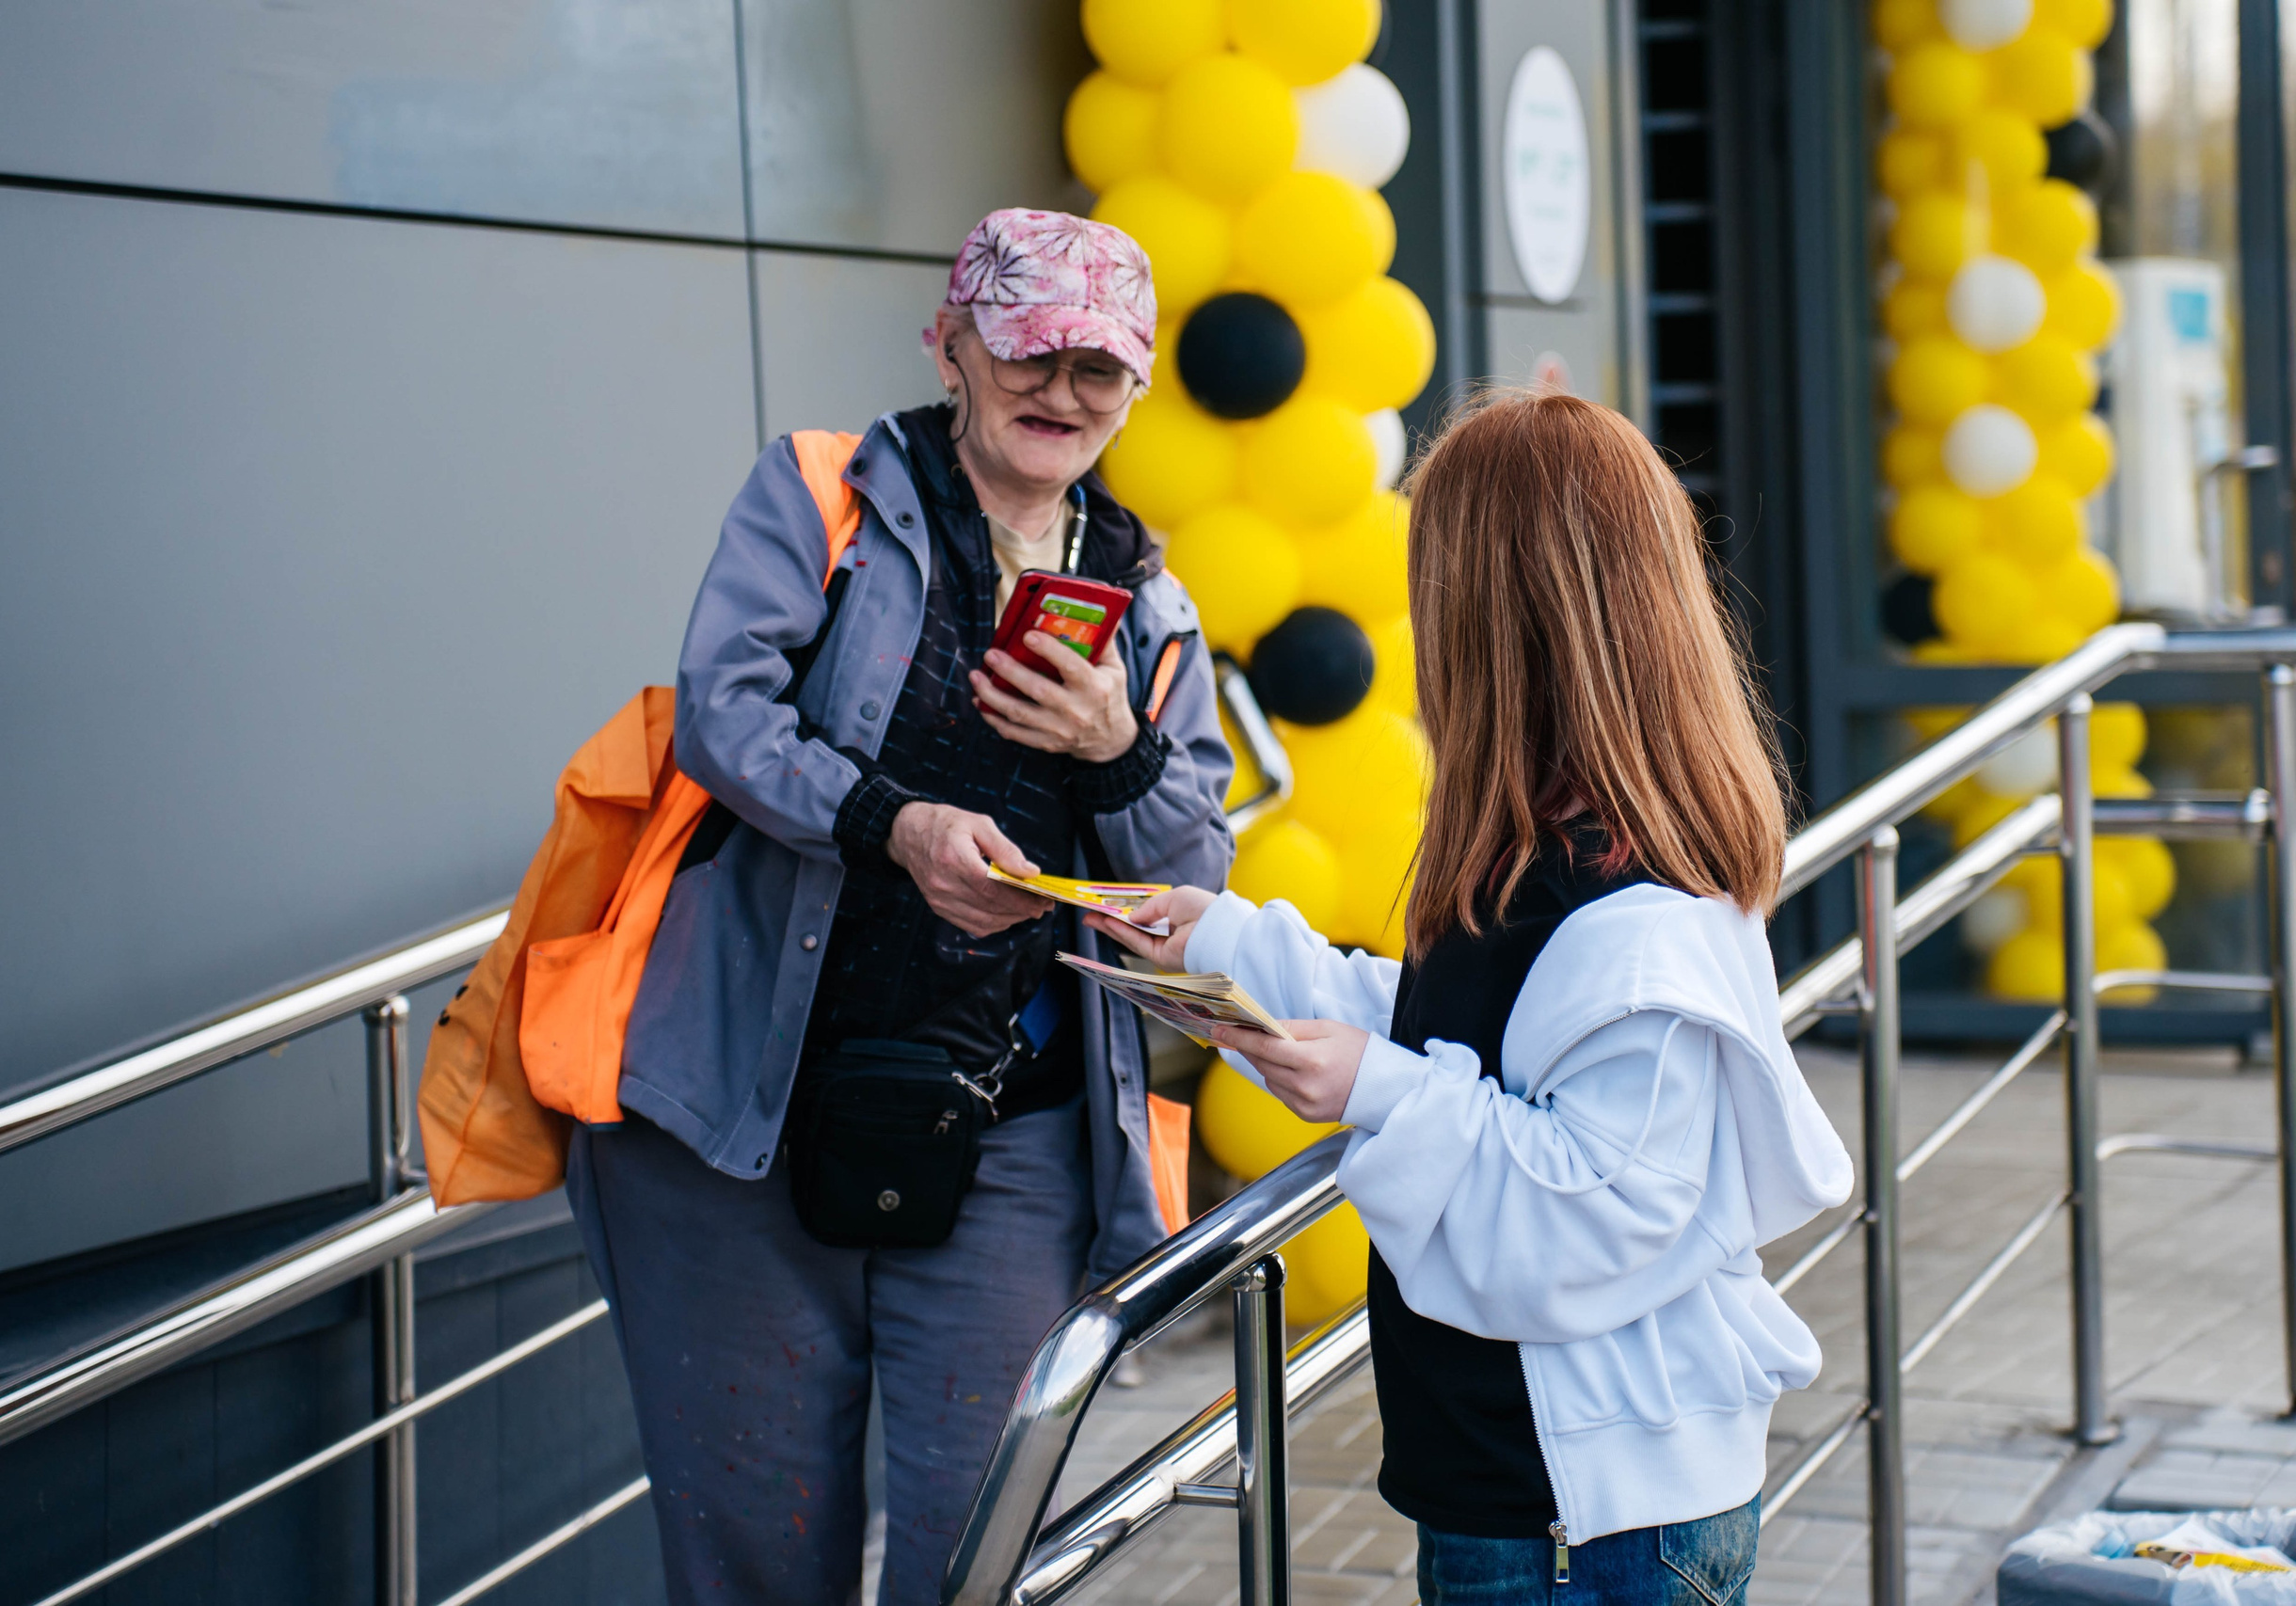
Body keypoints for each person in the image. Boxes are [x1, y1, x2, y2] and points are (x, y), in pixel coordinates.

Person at [566, 209, 1235, 1604]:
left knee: (972, 1559)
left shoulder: (1150, 599)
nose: (1061, 392)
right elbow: (721, 717)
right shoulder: (824, 498)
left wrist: (1118, 747)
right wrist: (892, 826)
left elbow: (1195, 880)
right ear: (951, 347)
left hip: (1010, 1134)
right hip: (742, 1116)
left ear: (1139, 386)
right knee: (755, 1556)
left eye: (1097, 369)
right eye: (1027, 352)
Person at [1094, 394, 1854, 1606]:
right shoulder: (1557, 837)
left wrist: (1376, 1087)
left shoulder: (1636, 895)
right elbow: (1481, 1042)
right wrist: (1219, 942)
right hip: (1541, 1498)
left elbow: (1598, 1206)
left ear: (1500, 611)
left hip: (1582, 1529)